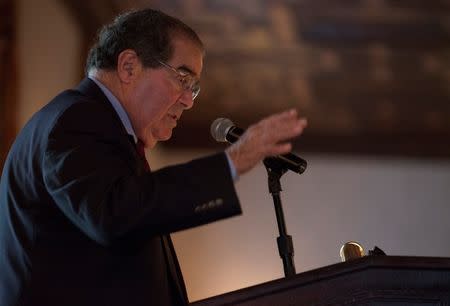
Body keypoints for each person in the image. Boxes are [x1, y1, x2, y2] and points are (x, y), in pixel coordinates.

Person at [0, 8, 307, 306]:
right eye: (183, 79)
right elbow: (114, 215)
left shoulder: (108, 135)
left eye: (194, 88)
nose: (188, 101)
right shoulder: (75, 120)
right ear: (129, 66)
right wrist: (232, 162)